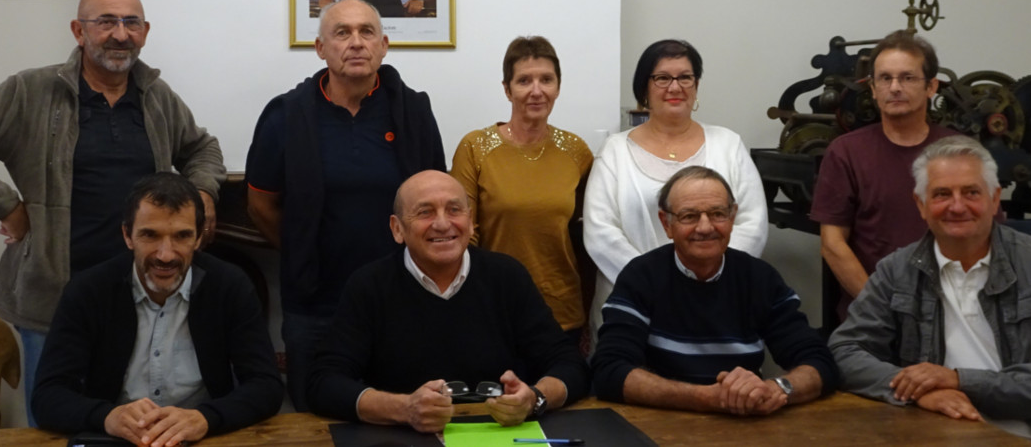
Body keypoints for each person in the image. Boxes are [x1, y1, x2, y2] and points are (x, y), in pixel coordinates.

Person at [0, 0, 224, 425]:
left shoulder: (155, 96)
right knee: (55, 424)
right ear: (79, 31)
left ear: (145, 32)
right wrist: (5, 206)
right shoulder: (31, 91)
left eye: (131, 22)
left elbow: (202, 148)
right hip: (54, 302)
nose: (120, 34)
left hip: (141, 298)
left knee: (134, 424)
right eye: (106, 22)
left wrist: (203, 195)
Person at [246, 0, 445, 412]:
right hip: (315, 303)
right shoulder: (285, 116)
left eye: (366, 32)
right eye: (342, 33)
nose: (356, 42)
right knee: (315, 419)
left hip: (400, 300)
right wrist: (303, 248)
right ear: (321, 49)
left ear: (384, 45)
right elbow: (261, 205)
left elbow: (433, 201)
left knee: (404, 413)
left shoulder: (414, 112)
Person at [828, 136, 1031, 445]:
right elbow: (844, 353)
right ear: (921, 205)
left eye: (971, 192)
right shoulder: (895, 271)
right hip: (935, 431)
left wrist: (958, 380)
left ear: (995, 200)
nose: (957, 206)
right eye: (942, 194)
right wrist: (921, 394)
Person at [307, 170, 589, 432]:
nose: (443, 224)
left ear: (470, 220)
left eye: (454, 210)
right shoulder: (369, 285)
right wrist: (404, 409)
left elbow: (569, 365)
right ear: (397, 229)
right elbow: (324, 383)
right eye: (425, 212)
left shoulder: (506, 276)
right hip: (399, 436)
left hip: (495, 434)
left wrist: (535, 399)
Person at [31, 173, 282, 447]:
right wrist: (107, 417)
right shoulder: (88, 291)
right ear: (127, 235)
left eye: (182, 236)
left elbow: (266, 386)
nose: (166, 254)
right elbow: (47, 396)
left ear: (199, 238)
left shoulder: (230, 286)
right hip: (115, 439)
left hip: (200, 438)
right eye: (150, 235)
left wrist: (206, 418)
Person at [593, 166, 838, 415]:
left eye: (717, 214)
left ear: (732, 218)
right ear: (666, 223)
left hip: (745, 423)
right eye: (689, 216)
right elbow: (609, 371)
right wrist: (706, 398)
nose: (705, 227)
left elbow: (819, 362)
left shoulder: (760, 278)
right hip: (661, 421)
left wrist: (777, 389)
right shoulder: (641, 276)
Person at [584, 39, 767, 348]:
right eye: (663, 78)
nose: (675, 86)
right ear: (645, 87)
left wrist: (705, 281)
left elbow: (752, 224)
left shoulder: (728, 144)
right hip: (633, 304)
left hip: (716, 303)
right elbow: (600, 232)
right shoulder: (614, 151)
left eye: (685, 77)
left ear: (696, 85)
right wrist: (654, 285)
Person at [451, 36, 593, 343]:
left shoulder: (576, 151)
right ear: (507, 89)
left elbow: (585, 238)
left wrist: (587, 315)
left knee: (562, 390)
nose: (536, 91)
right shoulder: (475, 147)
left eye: (546, 80)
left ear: (558, 86)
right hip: (493, 308)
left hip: (562, 311)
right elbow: (462, 235)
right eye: (524, 81)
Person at [811, 30, 958, 320]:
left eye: (907, 78)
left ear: (931, 87)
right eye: (885, 78)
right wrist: (881, 306)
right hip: (873, 317)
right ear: (873, 89)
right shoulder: (846, 153)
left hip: (950, 313)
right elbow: (832, 244)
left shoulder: (959, 153)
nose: (895, 88)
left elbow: (986, 237)